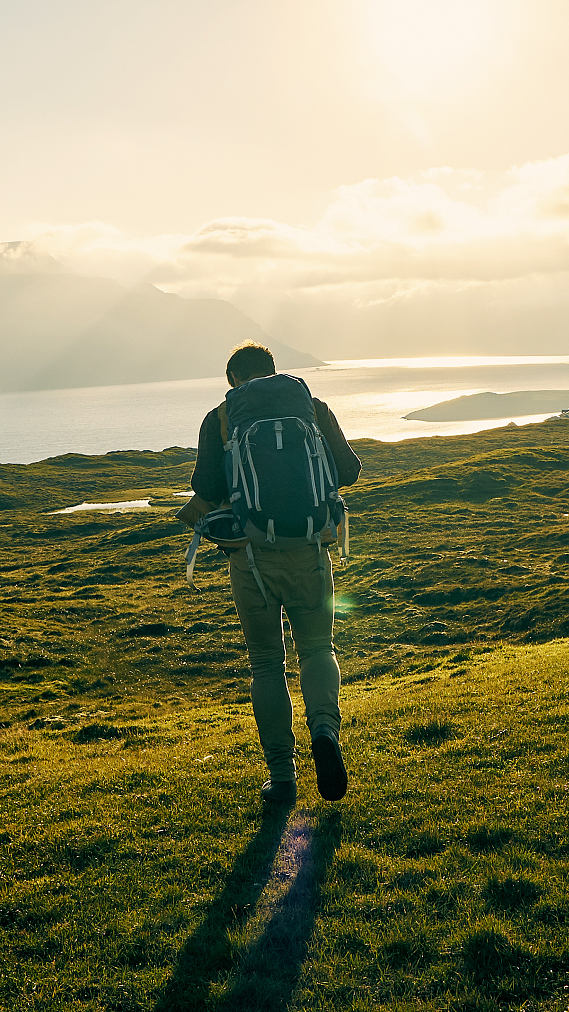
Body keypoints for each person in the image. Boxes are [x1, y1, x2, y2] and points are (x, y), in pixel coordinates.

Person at [176, 342, 360, 806]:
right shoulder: (312, 408)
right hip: (312, 553)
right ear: (275, 372)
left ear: (234, 378)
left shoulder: (221, 417)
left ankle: (282, 776)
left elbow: (207, 487)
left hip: (251, 560)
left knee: (267, 665)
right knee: (318, 648)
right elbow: (349, 471)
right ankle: (325, 732)